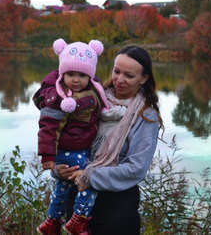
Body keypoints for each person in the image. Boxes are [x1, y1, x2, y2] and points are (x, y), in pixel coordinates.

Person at [57, 45, 164, 235]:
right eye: (116, 71)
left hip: (117, 206)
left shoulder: (146, 116)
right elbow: (65, 141)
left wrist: (90, 177)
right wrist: (59, 169)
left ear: (144, 78)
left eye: (129, 76)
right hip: (77, 197)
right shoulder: (90, 100)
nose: (119, 80)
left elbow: (136, 168)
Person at [33, 38, 109, 235]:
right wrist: (47, 157)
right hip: (67, 150)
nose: (76, 79)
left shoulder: (91, 90)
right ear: (62, 74)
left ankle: (52, 222)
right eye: (71, 74)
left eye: (82, 75)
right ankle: (78, 220)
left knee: (63, 186)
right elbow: (47, 128)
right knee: (88, 180)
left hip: (79, 148)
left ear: (90, 77)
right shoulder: (59, 98)